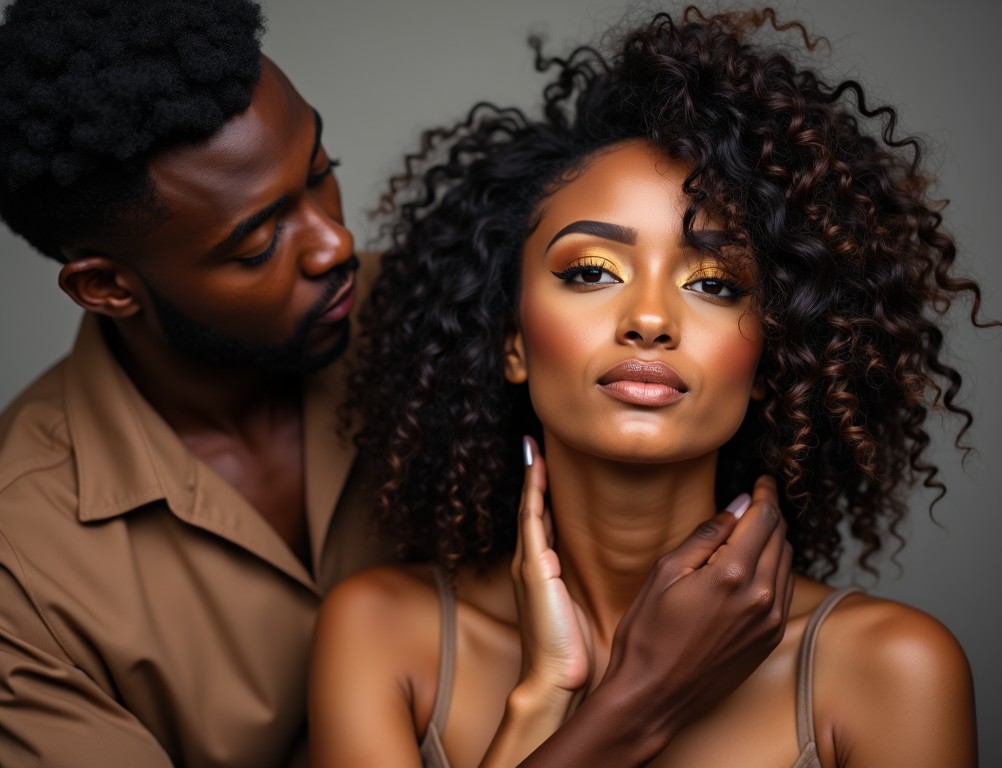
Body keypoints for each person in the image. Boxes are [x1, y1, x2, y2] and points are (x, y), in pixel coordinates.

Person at [0, 2, 791, 766]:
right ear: (107, 287)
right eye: (257, 242)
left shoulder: (448, 320)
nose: (333, 243)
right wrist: (640, 697)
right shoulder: (22, 566)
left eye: (321, 173)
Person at [310, 7, 990, 767]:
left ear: (772, 362)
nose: (650, 319)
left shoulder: (889, 669)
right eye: (592, 272)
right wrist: (587, 694)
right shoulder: (381, 636)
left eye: (714, 283)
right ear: (512, 343)